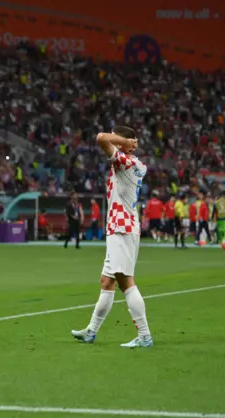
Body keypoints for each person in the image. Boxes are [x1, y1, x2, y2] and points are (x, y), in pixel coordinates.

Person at [71, 126, 153, 348]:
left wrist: (124, 141)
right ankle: (91, 331)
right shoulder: (136, 164)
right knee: (107, 281)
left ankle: (144, 335)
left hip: (122, 228)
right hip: (121, 227)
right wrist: (127, 142)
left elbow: (100, 138)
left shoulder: (125, 161)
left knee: (125, 282)